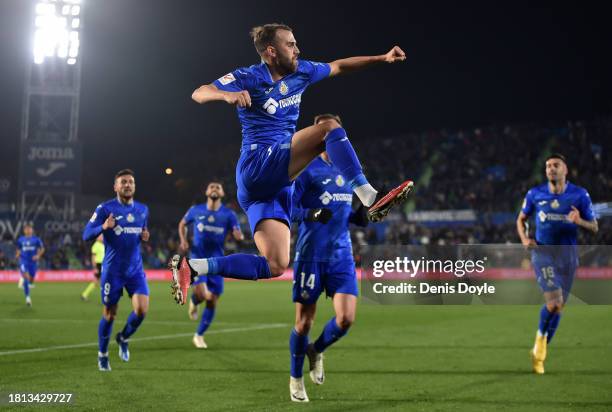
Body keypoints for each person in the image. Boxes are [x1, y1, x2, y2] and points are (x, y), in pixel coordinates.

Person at [170, 23, 413, 304]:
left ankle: (192, 267)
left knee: (275, 264)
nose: (297, 50)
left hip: (272, 187)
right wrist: (227, 95)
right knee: (328, 128)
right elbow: (199, 92)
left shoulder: (302, 71)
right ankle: (370, 197)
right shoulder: (248, 76)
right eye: (291, 44)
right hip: (259, 165)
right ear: (271, 51)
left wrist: (382, 58)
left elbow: (338, 67)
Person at [288, 114, 368, 402]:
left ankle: (316, 349)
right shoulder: (306, 170)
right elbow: (289, 210)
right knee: (304, 323)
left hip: (342, 255)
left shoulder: (350, 172)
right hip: (311, 255)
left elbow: (351, 214)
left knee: (346, 319)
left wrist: (363, 215)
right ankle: (296, 377)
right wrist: (311, 214)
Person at [516, 154, 598, 374]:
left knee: (558, 308)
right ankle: (540, 351)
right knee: (554, 303)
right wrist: (525, 240)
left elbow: (594, 227)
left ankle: (539, 345)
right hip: (543, 253)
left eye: (556, 165)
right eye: (548, 166)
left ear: (565, 170)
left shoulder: (580, 195)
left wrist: (579, 220)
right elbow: (521, 219)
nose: (551, 169)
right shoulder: (535, 194)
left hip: (568, 257)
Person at [83, 169, 151, 371]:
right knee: (110, 314)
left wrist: (144, 236)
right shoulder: (105, 208)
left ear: (135, 186)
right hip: (113, 272)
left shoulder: (143, 209)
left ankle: (123, 337)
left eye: (131, 181)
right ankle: (102, 354)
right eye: (123, 182)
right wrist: (103, 227)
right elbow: (86, 234)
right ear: (115, 187)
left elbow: (140, 232)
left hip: (135, 270)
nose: (127, 185)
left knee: (141, 311)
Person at [178, 181, 244, 348]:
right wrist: (183, 240)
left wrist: (238, 235)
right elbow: (182, 224)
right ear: (206, 191)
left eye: (218, 187)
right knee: (203, 294)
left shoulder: (229, 214)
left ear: (222, 193)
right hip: (197, 258)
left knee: (212, 300)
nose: (214, 188)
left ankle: (199, 335)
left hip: (217, 261)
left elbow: (238, 233)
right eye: (211, 186)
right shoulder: (195, 210)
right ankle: (194, 299)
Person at [15, 223, 44, 306]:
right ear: (24, 231)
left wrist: (38, 256)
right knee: (27, 278)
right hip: (23, 261)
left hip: (33, 262)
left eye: (29, 228)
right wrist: (17, 255)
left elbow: (42, 248)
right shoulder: (21, 239)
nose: (28, 230)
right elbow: (18, 248)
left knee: (31, 279)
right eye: (26, 229)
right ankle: (28, 298)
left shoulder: (36, 239)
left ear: (32, 230)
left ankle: (23, 281)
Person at [81, 234, 105, 301]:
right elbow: (93, 257)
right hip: (99, 265)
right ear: (97, 237)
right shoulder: (96, 245)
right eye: (100, 236)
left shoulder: (103, 245)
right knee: (97, 281)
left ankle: (85, 294)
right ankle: (84, 294)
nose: (102, 237)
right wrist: (95, 267)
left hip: (104, 265)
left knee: (100, 281)